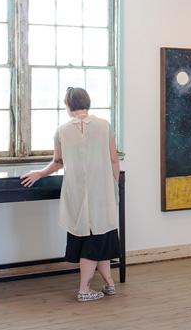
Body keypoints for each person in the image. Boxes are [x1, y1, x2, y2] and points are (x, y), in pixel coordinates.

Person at [21, 87, 120, 302]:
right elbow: (114, 160)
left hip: (76, 193)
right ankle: (85, 290)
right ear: (88, 103)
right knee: (99, 236)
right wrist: (115, 186)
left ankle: (109, 283)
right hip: (102, 192)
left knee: (95, 239)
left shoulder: (62, 131)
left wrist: (40, 173)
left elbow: (58, 162)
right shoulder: (105, 126)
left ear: (68, 106)